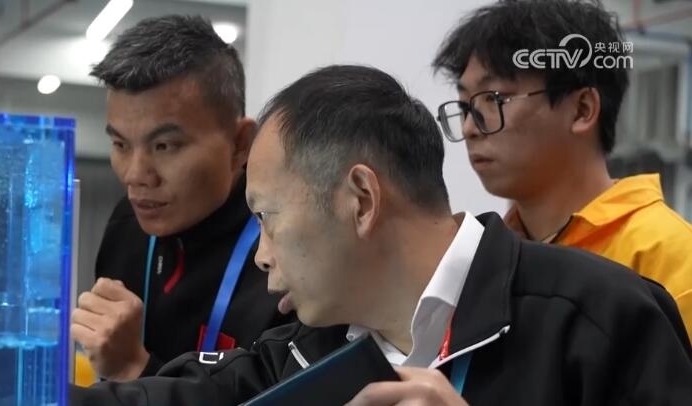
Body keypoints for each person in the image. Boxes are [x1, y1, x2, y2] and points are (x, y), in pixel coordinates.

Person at [69, 64, 692, 405]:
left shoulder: (600, 320)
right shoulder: (305, 353)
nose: (261, 255)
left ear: (361, 201)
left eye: (268, 218)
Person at [433, 0, 692, 335]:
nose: (470, 127)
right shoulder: (489, 258)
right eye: (466, 106)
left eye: (494, 99)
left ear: (582, 110)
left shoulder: (670, 257)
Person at [71, 14, 293, 383]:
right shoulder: (127, 226)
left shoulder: (285, 253)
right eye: (120, 144)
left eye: (164, 146)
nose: (135, 175)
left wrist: (134, 368)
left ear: (241, 143)